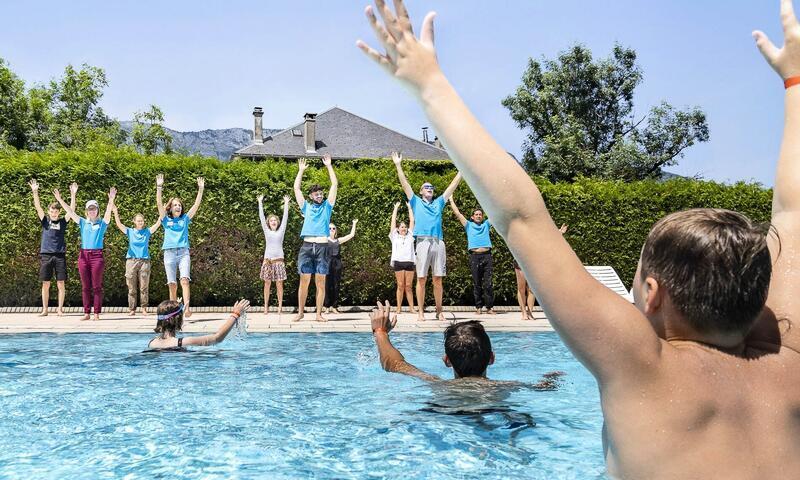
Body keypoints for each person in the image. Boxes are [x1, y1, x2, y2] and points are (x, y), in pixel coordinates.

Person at [358, 1, 800, 477]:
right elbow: (793, 216)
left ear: (651, 295)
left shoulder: (642, 365)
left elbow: (522, 217)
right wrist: (795, 82)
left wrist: (431, 87)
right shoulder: (789, 361)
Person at [370, 301, 562, 389]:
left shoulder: (438, 385)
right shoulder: (506, 387)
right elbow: (544, 387)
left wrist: (380, 332)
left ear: (447, 361)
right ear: (492, 358)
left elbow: (394, 365)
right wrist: (552, 378)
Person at [391, 151, 461, 321]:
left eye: (431, 187)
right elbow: (405, 184)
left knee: (438, 279)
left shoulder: (439, 203)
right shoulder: (415, 201)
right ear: (421, 191)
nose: (430, 189)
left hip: (438, 242)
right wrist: (398, 165)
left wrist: (462, 170)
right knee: (421, 278)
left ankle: (439, 311)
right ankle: (421, 312)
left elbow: (452, 186)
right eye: (426, 187)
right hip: (422, 242)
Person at [54, 186, 116, 321]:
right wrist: (60, 199)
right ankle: (87, 313)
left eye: (94, 208)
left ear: (97, 210)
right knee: (85, 286)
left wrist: (111, 200)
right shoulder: (82, 222)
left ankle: (97, 313)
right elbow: (69, 211)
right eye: (90, 209)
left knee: (97, 286)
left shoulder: (102, 223)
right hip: (83, 256)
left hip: (97, 256)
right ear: (87, 211)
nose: (92, 211)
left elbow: (108, 212)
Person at [292, 154, 338, 322]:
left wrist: (329, 166)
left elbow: (334, 184)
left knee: (320, 282)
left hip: (322, 247)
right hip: (306, 246)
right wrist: (301, 171)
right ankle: (301, 312)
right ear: (311, 196)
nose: (319, 195)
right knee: (304, 281)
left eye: (321, 193)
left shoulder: (327, 207)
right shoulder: (306, 208)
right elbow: (296, 189)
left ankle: (319, 314)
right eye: (316, 194)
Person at [156, 174, 204, 318]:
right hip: (169, 253)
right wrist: (159, 187)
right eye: (175, 205)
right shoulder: (165, 220)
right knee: (172, 284)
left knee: (184, 280)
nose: (178, 206)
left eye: (179, 205)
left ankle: (187, 308)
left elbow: (196, 206)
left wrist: (200, 189)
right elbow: (159, 204)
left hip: (183, 253)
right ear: (170, 208)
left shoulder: (185, 219)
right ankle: (173, 311)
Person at [29, 179, 77, 317]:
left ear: (59, 212)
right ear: (49, 211)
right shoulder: (45, 221)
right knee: (46, 283)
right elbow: (38, 207)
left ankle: (60, 309)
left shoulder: (63, 222)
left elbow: (72, 210)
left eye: (56, 211)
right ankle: (45, 310)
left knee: (61, 283)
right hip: (46, 255)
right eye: (52, 211)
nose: (54, 213)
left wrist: (73, 194)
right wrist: (35, 191)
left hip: (60, 256)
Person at [112, 201, 163, 316]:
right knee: (131, 287)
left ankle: (144, 308)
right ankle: (132, 309)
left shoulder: (147, 232)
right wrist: (115, 212)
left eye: (142, 220)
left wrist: (162, 211)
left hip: (144, 261)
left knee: (144, 286)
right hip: (131, 261)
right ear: (134, 222)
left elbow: (158, 223)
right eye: (138, 220)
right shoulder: (130, 231)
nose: (140, 222)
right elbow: (119, 224)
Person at [449, 198, 495, 315]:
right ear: (472, 217)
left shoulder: (486, 225)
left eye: (480, 214)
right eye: (476, 214)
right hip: (475, 257)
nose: (479, 216)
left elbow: (495, 212)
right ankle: (478, 307)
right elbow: (458, 213)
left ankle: (489, 307)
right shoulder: (468, 225)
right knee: (477, 283)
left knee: (488, 283)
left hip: (487, 256)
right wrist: (451, 200)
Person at [146, 299, 250, 350]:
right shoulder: (184, 342)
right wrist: (235, 314)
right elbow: (217, 338)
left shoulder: (152, 343)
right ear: (179, 320)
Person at [513, 225, 567, 320]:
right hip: (520, 260)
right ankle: (524, 313)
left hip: (532, 263)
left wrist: (560, 233)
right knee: (521, 288)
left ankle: (530, 312)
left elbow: (547, 237)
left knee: (531, 289)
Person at [258, 194, 290, 317]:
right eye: (271, 220)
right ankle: (265, 307)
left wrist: (286, 203)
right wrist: (260, 202)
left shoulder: (281, 231)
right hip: (268, 261)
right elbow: (261, 217)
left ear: (278, 222)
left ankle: (279, 307)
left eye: (275, 220)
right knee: (267, 284)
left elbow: (286, 218)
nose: (273, 222)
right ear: (268, 223)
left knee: (279, 284)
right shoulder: (266, 231)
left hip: (279, 262)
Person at [324, 219, 358, 314]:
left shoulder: (338, 241)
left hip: (337, 264)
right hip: (327, 264)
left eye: (333, 228)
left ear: (336, 230)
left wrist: (354, 224)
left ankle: (334, 307)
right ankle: (326, 307)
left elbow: (351, 235)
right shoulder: (324, 239)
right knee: (326, 285)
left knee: (336, 285)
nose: (331, 229)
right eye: (329, 228)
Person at [389, 201, 416, 318]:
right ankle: (398, 308)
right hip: (399, 263)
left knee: (409, 286)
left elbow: (412, 221)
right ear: (398, 229)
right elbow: (393, 222)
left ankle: (411, 308)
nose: (404, 228)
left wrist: (409, 207)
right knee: (400, 285)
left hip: (410, 262)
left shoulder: (410, 235)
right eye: (402, 227)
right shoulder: (394, 236)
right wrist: (396, 208)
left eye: (405, 227)